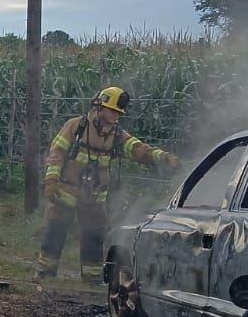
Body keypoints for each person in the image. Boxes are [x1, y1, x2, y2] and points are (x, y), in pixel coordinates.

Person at [36, 86, 180, 282]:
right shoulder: (75, 126)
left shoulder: (118, 135)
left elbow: (138, 149)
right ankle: (45, 274)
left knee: (93, 238)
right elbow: (56, 154)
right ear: (99, 107)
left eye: (119, 113)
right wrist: (51, 180)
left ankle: (91, 279)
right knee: (55, 230)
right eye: (112, 111)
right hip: (66, 191)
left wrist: (162, 157)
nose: (116, 116)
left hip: (94, 197)